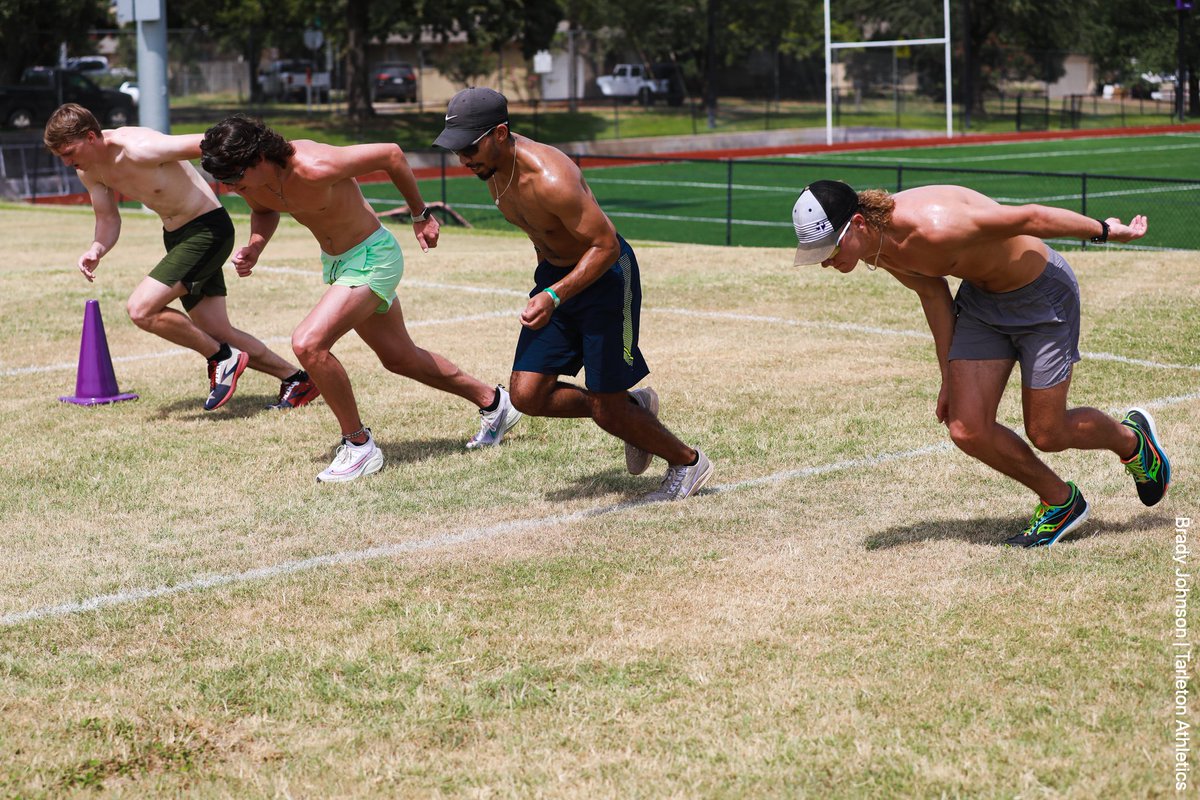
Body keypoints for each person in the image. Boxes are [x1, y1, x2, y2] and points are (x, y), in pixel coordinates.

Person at [791, 180, 1170, 547]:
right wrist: (947, 379)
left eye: (828, 248)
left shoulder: (936, 225)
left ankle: (1134, 443)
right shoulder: (877, 245)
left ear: (858, 224)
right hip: (981, 304)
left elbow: (1030, 217)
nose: (825, 262)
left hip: (1041, 296)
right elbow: (933, 292)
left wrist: (1104, 231)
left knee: (1048, 433)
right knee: (966, 428)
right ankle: (1061, 501)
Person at [198, 116, 520, 483]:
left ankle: (359, 446)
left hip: (373, 257)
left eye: (234, 179)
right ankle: (495, 403)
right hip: (338, 264)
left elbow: (392, 155)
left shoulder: (316, 165)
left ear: (257, 158)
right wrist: (255, 246)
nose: (232, 187)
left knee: (308, 343)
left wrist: (420, 214)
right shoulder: (252, 181)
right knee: (400, 358)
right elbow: (264, 209)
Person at [433, 87, 711, 502]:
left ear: (501, 134)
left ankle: (688, 463)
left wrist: (554, 296)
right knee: (528, 394)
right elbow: (539, 232)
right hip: (556, 279)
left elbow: (606, 247)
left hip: (606, 277)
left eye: (469, 147)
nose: (462, 159)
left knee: (606, 408)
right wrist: (548, 285)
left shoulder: (551, 177)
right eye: (456, 149)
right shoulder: (493, 171)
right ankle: (631, 409)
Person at [44, 103, 316, 412]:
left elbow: (212, 142)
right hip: (176, 236)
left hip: (207, 230)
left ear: (90, 136)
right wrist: (97, 248)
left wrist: (275, 157)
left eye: (69, 152)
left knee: (141, 309)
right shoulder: (89, 171)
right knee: (219, 331)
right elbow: (107, 219)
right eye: (61, 156)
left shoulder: (140, 147)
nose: (67, 162)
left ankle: (221, 359)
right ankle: (296, 379)